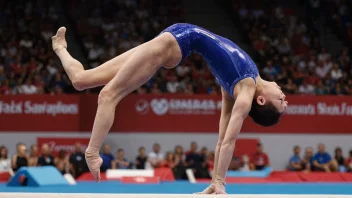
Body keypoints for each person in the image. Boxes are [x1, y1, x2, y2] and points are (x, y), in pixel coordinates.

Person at [52, 23, 288, 194]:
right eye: (284, 100)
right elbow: (221, 139)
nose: (284, 97)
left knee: (107, 95)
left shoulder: (245, 94)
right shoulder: (241, 86)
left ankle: (92, 152)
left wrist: (221, 182)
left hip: (169, 44)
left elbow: (228, 141)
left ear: (261, 101)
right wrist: (217, 180)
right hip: (168, 40)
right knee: (82, 80)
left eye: (281, 102)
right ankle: (60, 48)